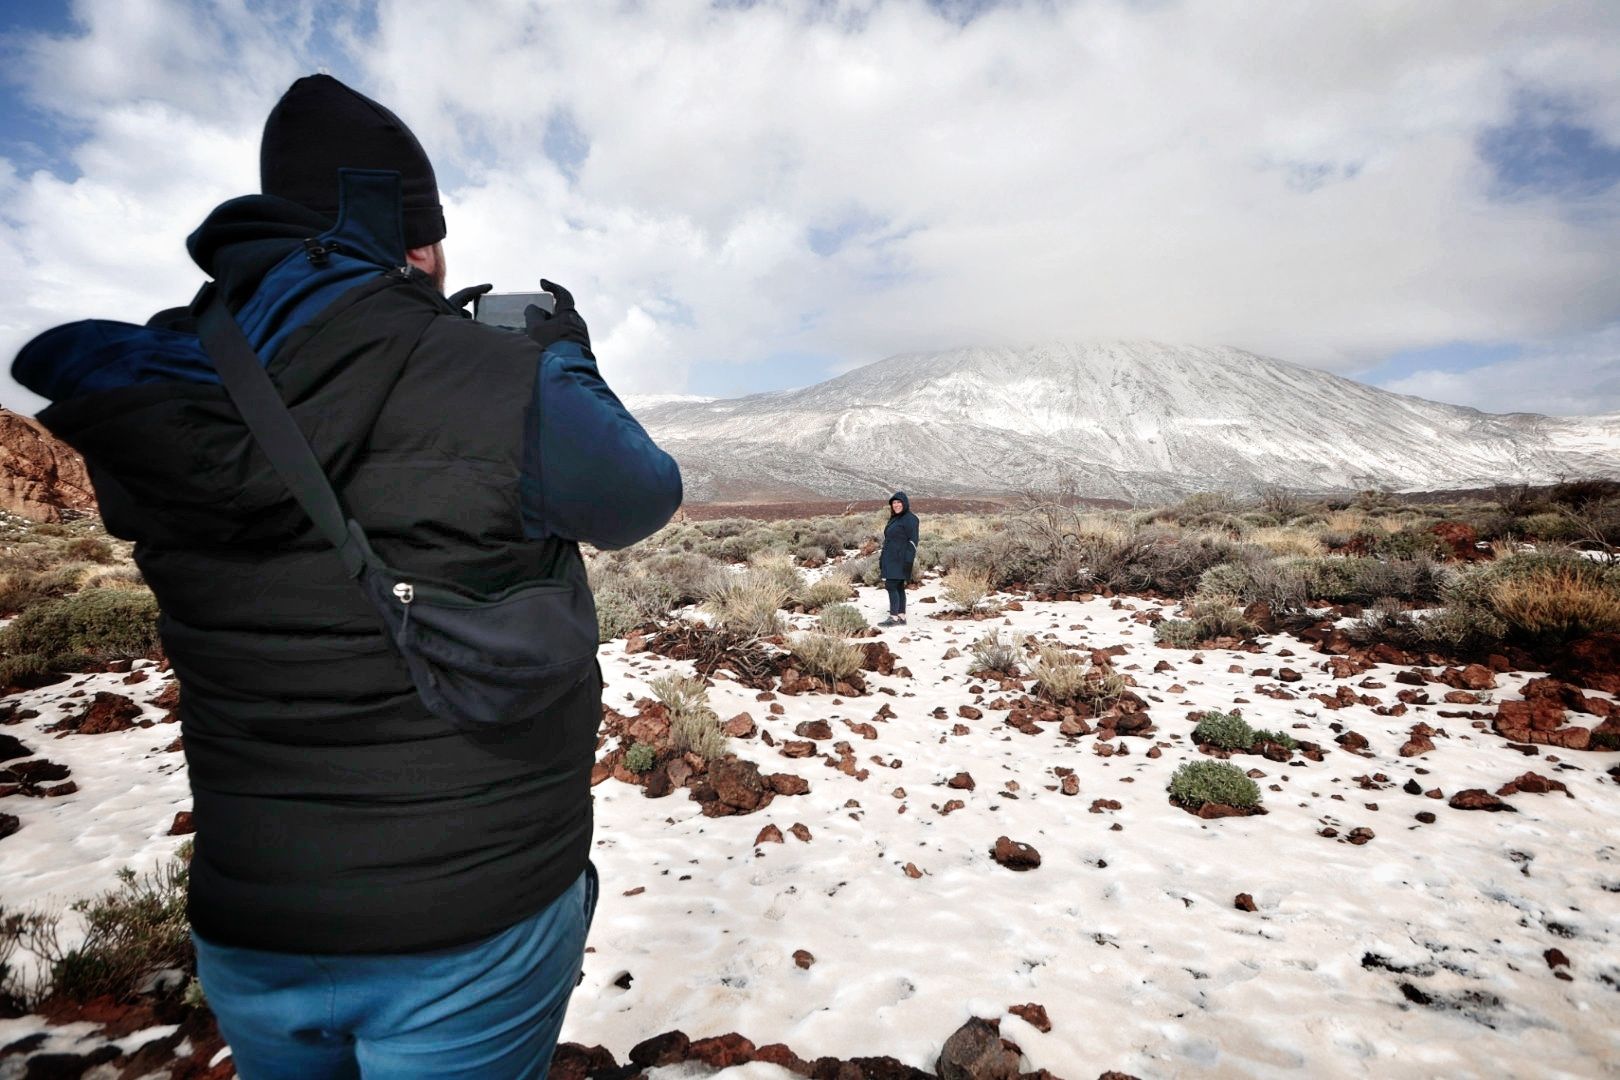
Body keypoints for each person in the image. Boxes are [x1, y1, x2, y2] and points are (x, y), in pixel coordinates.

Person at [12, 74, 682, 1079]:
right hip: (470, 919)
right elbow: (641, 496)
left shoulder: (163, 385)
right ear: (417, 242)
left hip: (254, 920)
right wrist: (561, 357)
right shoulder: (496, 377)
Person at [878, 491, 919, 626]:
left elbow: (913, 541)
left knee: (891, 585)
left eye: (899, 502)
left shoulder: (910, 519)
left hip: (901, 558)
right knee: (899, 586)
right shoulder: (895, 518)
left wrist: (908, 560)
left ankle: (893, 617)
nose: (896, 505)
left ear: (904, 503)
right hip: (891, 557)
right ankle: (901, 616)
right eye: (894, 503)